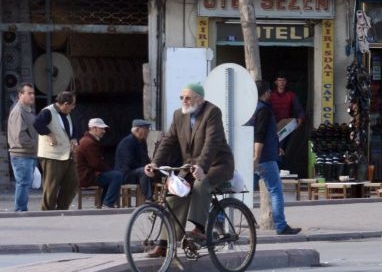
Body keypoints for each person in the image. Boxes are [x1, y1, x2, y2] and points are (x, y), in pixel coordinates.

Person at [144, 82, 234, 258]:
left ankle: (199, 229)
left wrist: (202, 167)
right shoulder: (179, 115)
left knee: (201, 185)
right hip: (191, 166)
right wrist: (155, 163)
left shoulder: (212, 112)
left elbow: (212, 143)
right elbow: (168, 141)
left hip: (217, 164)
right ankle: (164, 244)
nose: (184, 101)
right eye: (182, 98)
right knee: (174, 194)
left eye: (188, 98)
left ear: (199, 99)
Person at [249, 80, 301, 235]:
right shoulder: (263, 109)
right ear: (266, 93)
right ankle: (281, 225)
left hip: (258, 155)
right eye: (269, 92)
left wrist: (276, 146)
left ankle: (219, 218)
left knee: (239, 189)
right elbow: (260, 135)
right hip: (264, 159)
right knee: (276, 191)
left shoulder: (250, 109)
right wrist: (256, 157)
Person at [34, 91, 80, 211]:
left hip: (66, 154)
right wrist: (49, 134)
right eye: (72, 105)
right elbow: (37, 123)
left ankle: (62, 209)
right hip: (52, 155)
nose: (74, 107)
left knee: (72, 183)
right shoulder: (48, 112)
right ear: (65, 104)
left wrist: (74, 139)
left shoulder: (67, 113)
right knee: (51, 187)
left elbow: (71, 128)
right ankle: (47, 212)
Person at [75, 118, 123, 208]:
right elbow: (96, 164)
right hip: (87, 176)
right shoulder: (89, 143)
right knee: (117, 175)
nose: (104, 131)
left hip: (86, 175)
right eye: (102, 129)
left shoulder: (87, 140)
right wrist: (109, 170)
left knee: (112, 176)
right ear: (94, 129)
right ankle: (107, 203)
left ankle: (103, 203)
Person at [7, 83, 38, 212]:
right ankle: (20, 210)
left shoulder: (27, 111)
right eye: (29, 93)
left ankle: (21, 209)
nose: (32, 96)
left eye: (33, 93)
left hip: (28, 153)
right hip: (21, 154)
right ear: (20, 95)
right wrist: (37, 145)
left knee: (25, 183)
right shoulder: (18, 111)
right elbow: (20, 136)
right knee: (23, 183)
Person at [115, 119, 153, 202]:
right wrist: (145, 167)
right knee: (144, 171)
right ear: (137, 130)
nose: (148, 132)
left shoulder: (142, 142)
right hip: (126, 174)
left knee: (152, 169)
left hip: (135, 171)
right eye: (146, 129)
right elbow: (129, 162)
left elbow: (145, 158)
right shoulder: (127, 142)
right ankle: (149, 198)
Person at [269, 73, 306, 148]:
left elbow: (299, 108)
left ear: (286, 82)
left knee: (282, 145)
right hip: (272, 125)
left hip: (285, 125)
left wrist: (300, 118)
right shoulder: (270, 95)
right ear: (276, 82)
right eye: (279, 80)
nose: (282, 83)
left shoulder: (291, 95)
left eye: (283, 80)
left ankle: (281, 159)